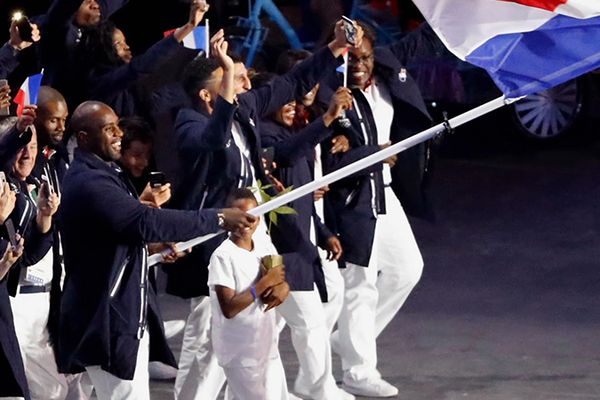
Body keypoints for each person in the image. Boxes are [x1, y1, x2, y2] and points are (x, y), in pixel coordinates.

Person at [169, 24, 355, 400]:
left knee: (260, 326)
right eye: (234, 80)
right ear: (209, 95)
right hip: (214, 245)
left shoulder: (244, 108)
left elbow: (290, 82)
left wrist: (333, 46)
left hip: (255, 238)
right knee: (207, 342)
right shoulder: (189, 123)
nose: (245, 86)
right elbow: (213, 141)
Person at [56, 101, 256, 400]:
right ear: (83, 137)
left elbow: (120, 235)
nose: (117, 135)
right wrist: (217, 217)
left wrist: (152, 247)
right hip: (107, 320)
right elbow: (143, 222)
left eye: (117, 126)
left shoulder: (106, 173)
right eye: (107, 129)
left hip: (119, 317)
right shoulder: (90, 180)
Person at [319, 20, 435, 397]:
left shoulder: (385, 69)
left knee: (407, 269)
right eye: (350, 58)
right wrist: (365, 150)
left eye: (364, 57)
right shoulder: (328, 94)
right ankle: (358, 371)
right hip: (351, 199)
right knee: (360, 284)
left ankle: (351, 339)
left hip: (386, 193)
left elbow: (422, 41)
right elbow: (328, 156)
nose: (358, 65)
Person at [208, 188, 289, 400]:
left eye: (251, 216)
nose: (246, 223)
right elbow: (229, 308)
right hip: (239, 350)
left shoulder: (264, 245)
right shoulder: (223, 256)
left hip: (265, 343)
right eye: (240, 216)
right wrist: (264, 284)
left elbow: (278, 279)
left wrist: (282, 287)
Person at [77, 0, 210, 117]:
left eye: (125, 42)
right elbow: (140, 67)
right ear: (102, 50)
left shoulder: (129, 88)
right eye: (118, 44)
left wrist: (204, 77)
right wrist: (189, 26)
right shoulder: (101, 82)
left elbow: (154, 101)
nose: (127, 47)